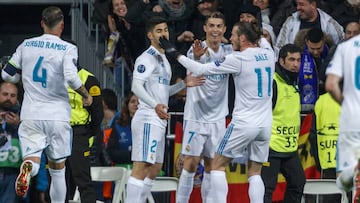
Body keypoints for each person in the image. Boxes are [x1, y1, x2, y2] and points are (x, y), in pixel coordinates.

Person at [160, 20, 275, 203]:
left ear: (243, 38)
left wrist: (174, 53)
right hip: (265, 125)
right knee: (255, 172)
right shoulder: (269, 53)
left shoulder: (238, 59)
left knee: (217, 165)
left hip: (244, 123)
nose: (230, 39)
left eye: (234, 35)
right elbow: (262, 39)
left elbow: (200, 69)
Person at [1, 6, 93, 203]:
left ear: (42, 23)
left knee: (32, 159)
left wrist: (20, 76)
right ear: (62, 25)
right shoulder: (68, 48)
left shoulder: (26, 45)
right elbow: (71, 76)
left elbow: (6, 74)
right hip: (58, 116)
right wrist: (85, 95)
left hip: (31, 114)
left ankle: (28, 169)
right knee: (58, 170)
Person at [125, 16, 205, 203]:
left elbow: (162, 92)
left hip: (158, 117)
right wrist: (154, 105)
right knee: (142, 165)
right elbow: (136, 87)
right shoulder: (146, 58)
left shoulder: (164, 59)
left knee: (155, 168)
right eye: (159, 31)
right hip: (147, 116)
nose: (164, 34)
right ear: (150, 34)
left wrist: (183, 84)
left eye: (166, 30)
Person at [176, 11, 233, 203]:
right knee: (190, 165)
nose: (215, 30)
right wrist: (199, 59)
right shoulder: (195, 50)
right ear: (205, 28)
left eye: (219, 26)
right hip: (196, 117)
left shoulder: (229, 52)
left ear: (224, 29)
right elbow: (193, 69)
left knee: (213, 166)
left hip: (218, 118)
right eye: (211, 26)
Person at [261, 44, 305, 203]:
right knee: (266, 189)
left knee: (298, 183)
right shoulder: (273, 83)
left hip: (289, 147)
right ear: (281, 61)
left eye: (298, 60)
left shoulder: (293, 82)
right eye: (291, 60)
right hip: (271, 147)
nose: (295, 64)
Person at [325, 33, 360, 202]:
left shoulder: (345, 47)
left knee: (344, 184)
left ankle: (351, 174)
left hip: (352, 118)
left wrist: (345, 103)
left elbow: (331, 85)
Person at [66, 63, 104, 202]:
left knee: (83, 180)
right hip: (58, 132)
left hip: (78, 133)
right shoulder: (55, 75)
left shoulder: (88, 78)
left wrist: (88, 133)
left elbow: (97, 111)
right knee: (58, 179)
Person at [275, 0, 344, 49]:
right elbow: (279, 47)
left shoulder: (330, 23)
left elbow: (342, 45)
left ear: (313, 5)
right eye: (297, 4)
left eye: (301, 4)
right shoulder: (290, 22)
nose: (298, 7)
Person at [0, 82, 22, 203]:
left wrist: (19, 126)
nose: (8, 98)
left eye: (13, 95)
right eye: (5, 94)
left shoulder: (24, 117)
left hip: (14, 174)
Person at [107, 92, 138, 165]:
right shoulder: (118, 125)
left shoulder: (149, 125)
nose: (136, 104)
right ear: (127, 105)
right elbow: (112, 152)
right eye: (133, 101)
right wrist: (132, 155)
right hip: (122, 168)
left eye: (139, 102)